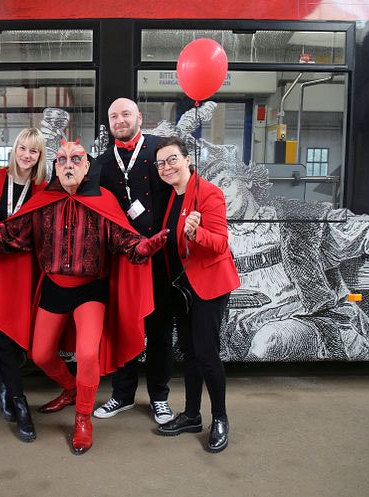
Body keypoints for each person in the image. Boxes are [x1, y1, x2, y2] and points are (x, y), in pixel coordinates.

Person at [0, 139, 168, 454]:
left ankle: (83, 418)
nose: (69, 165)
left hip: (91, 290)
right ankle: (72, 389)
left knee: (88, 354)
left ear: (87, 166)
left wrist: (142, 248)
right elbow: (9, 236)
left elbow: (123, 240)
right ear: (55, 167)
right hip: (54, 288)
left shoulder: (104, 200)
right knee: (41, 354)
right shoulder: (44, 201)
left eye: (76, 159)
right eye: (61, 160)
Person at [204, 159, 369, 361]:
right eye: (212, 190)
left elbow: (362, 230)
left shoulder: (298, 221)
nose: (221, 195)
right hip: (240, 326)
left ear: (247, 181)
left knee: (269, 340)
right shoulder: (210, 234)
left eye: (226, 183)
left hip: (306, 318)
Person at [152, 137, 240, 453]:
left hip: (209, 285)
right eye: (161, 162)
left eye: (172, 159)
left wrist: (194, 232)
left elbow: (219, 243)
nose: (167, 167)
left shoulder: (208, 193)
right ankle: (191, 415)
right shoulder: (172, 196)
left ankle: (220, 418)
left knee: (206, 353)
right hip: (182, 287)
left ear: (187, 159)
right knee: (188, 352)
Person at [93, 97, 175, 425]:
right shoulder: (100, 163)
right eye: (114, 116)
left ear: (139, 117)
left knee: (158, 332)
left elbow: (184, 185)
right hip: (123, 261)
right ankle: (122, 395)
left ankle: (159, 398)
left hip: (161, 258)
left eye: (126, 114)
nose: (120, 120)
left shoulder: (161, 150)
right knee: (124, 328)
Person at [0, 128, 47, 442]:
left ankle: (7, 385)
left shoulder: (42, 188)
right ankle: (18, 400)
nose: (27, 156)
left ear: (39, 156)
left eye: (33, 151)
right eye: (22, 149)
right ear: (14, 149)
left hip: (25, 272)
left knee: (17, 335)